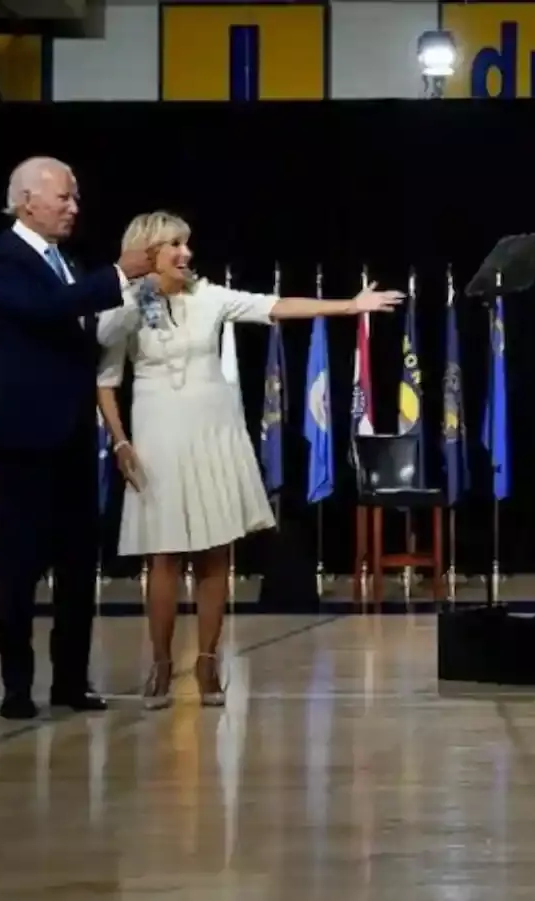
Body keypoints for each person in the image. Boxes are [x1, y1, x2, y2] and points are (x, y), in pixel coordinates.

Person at [95, 211, 401, 709]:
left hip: (214, 433)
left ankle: (207, 663)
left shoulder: (209, 296)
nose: (186, 253)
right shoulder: (124, 304)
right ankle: (161, 664)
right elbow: (105, 381)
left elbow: (275, 306)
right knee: (163, 555)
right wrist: (121, 442)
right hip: (157, 438)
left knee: (215, 553)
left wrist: (350, 306)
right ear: (148, 252)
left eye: (187, 244)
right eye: (175, 245)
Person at [0, 157, 157, 720]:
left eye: (75, 198)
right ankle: (17, 686)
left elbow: (79, 325)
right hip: (21, 437)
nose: (74, 208)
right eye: (63, 198)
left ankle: (70, 680)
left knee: (77, 565)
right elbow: (42, 309)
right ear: (27, 201)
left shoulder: (67, 262)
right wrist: (118, 274)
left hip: (71, 435)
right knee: (20, 567)